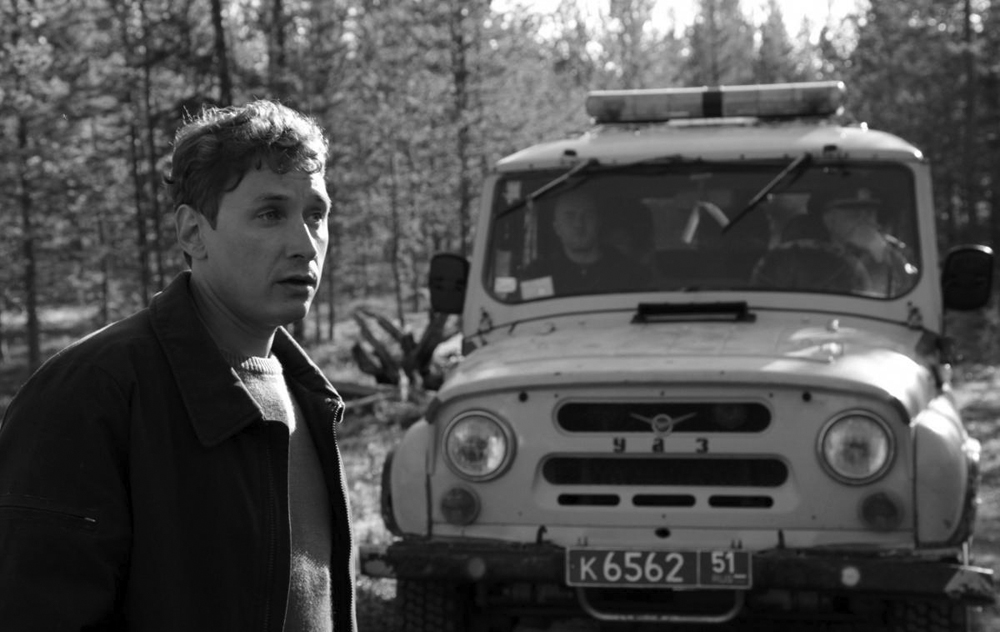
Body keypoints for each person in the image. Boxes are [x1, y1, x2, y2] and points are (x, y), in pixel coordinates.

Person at [0, 100, 356, 631]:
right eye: (270, 214)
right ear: (192, 233)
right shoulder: (91, 393)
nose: (305, 244)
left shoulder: (311, 398)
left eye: (315, 215)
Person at [520, 189, 648, 298]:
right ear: (557, 228)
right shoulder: (538, 274)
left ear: (598, 223)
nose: (579, 224)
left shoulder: (630, 273)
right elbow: (530, 312)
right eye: (570, 216)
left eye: (587, 215)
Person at [818, 188, 917, 296]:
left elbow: (908, 292)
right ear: (830, 221)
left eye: (869, 214)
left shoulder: (895, 254)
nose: (863, 221)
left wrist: (881, 256)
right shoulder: (813, 254)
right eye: (854, 215)